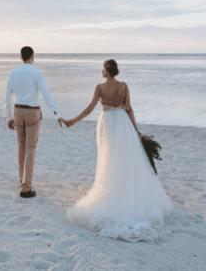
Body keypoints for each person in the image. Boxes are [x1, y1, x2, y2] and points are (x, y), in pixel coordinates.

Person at [63, 59, 172, 241]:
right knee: (124, 157)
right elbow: (129, 109)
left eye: (102, 68)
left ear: (106, 70)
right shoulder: (123, 86)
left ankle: (113, 188)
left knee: (110, 158)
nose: (101, 71)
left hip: (107, 122)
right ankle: (123, 188)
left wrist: (73, 121)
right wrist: (136, 131)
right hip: (122, 122)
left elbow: (90, 109)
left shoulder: (99, 87)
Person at [5, 46, 66, 199]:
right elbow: (46, 94)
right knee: (31, 148)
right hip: (32, 112)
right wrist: (57, 113)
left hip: (18, 111)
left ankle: (22, 181)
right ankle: (26, 187)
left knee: (21, 147)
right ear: (32, 57)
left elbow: (7, 98)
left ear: (20, 56)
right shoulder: (37, 73)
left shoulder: (12, 73)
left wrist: (8, 117)